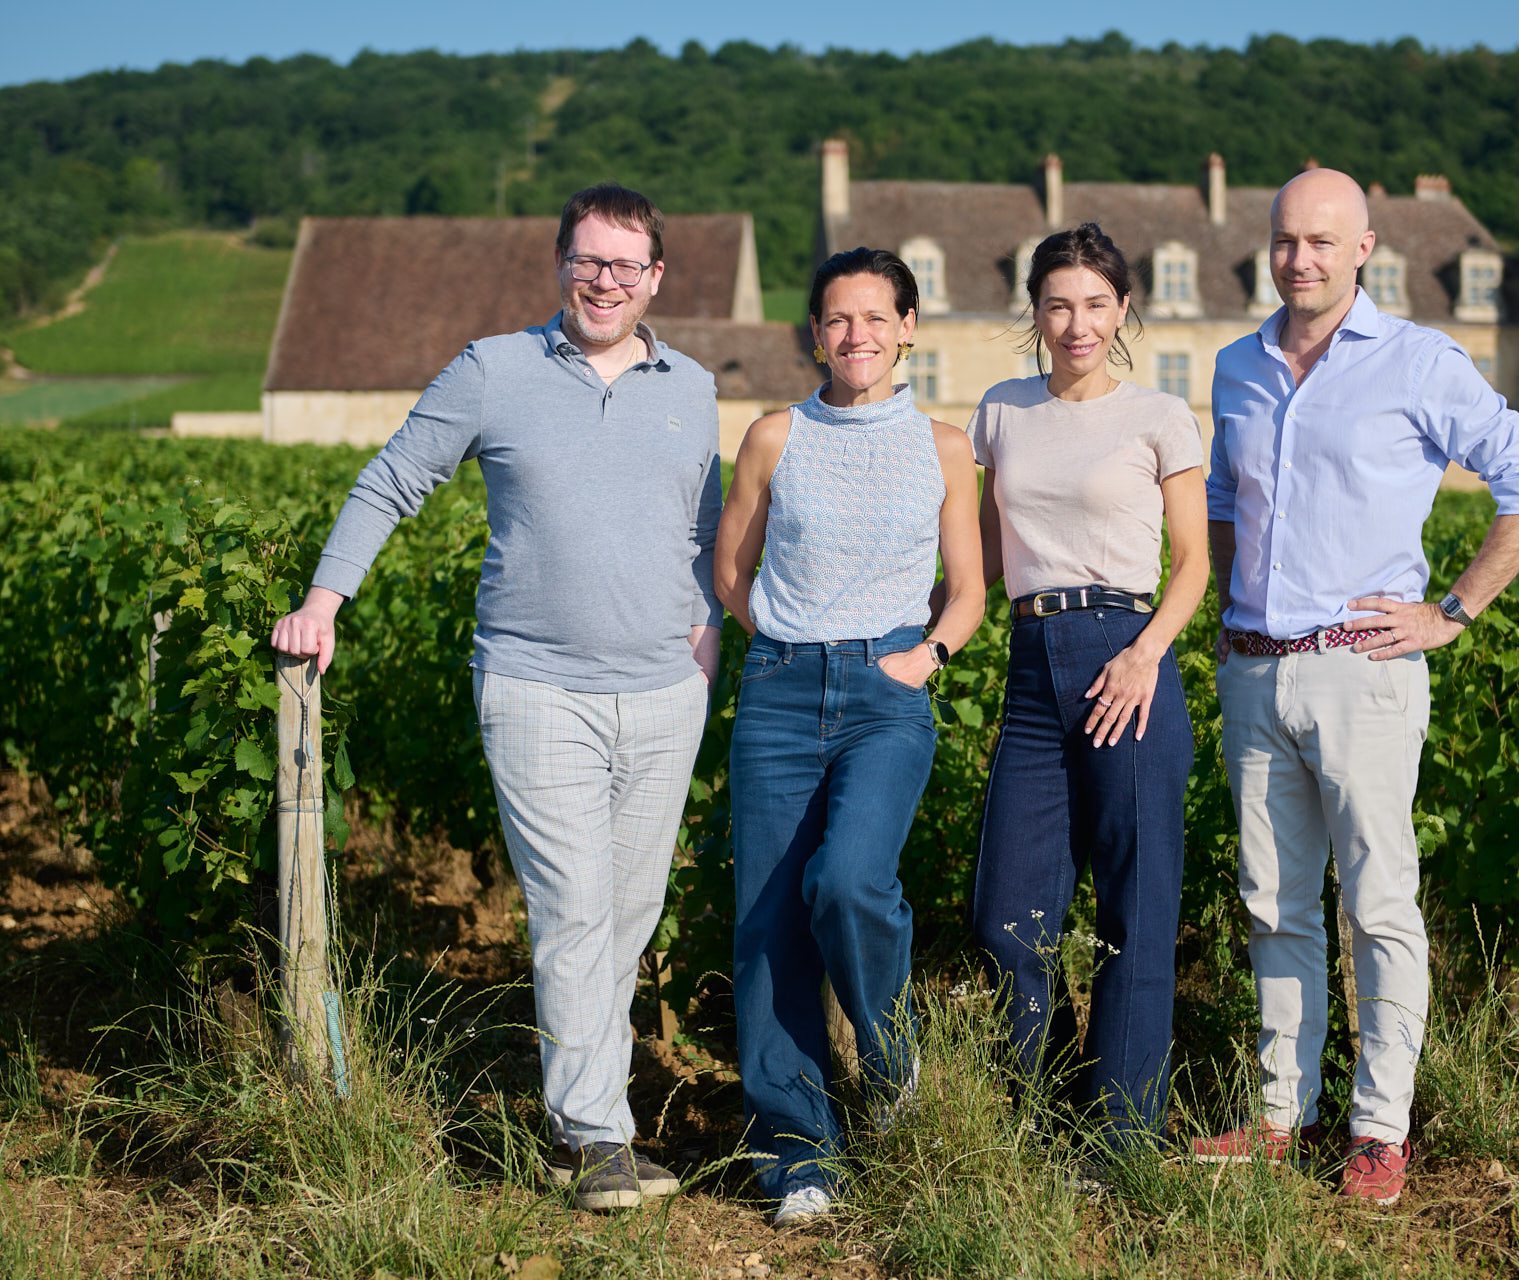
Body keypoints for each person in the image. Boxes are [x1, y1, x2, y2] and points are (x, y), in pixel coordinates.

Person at [270, 183, 720, 1212]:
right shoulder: (495, 368)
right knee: (572, 907)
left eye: (626, 265)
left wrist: (705, 650)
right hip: (534, 686)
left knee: (628, 913)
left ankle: (580, 1122)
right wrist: (324, 599)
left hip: (664, 693)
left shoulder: (690, 385)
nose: (605, 281)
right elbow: (392, 480)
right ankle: (595, 1133)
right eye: (588, 259)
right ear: (560, 262)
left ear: (657, 278)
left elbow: (705, 529)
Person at [1195, 167, 1519, 1205]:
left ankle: (1379, 1129)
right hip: (1255, 671)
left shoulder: (1417, 361)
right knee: (1274, 904)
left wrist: (1454, 611)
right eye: (1284, 241)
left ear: (1365, 248)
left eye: (1320, 241)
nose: (1298, 258)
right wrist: (1232, 607)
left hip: (1367, 670)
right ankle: (1282, 1116)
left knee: (1377, 903)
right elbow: (1226, 495)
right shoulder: (1237, 366)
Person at [714, 247, 985, 1227]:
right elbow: (731, 568)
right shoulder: (773, 435)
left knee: (849, 880)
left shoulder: (945, 444)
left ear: (909, 326)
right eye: (837, 318)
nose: (856, 334)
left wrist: (926, 657)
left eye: (876, 317)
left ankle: (892, 1061)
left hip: (888, 690)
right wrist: (784, 646)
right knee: (771, 920)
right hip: (782, 690)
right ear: (814, 332)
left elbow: (970, 586)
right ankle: (800, 1153)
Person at [963, 224, 1207, 1155]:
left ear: (1123, 310)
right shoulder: (1002, 411)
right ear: (1034, 311)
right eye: (1058, 303)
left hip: (1127, 656)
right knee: (1006, 914)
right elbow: (978, 552)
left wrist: (1146, 653)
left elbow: (1192, 563)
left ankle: (1119, 1135)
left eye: (1096, 304)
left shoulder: (1159, 417)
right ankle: (1029, 1115)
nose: (1077, 323)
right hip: (1033, 663)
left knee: (1135, 909)